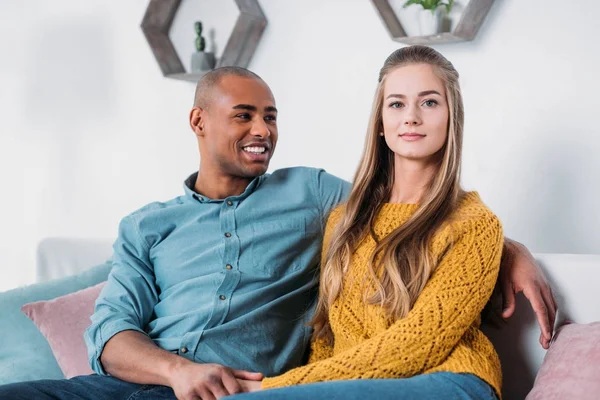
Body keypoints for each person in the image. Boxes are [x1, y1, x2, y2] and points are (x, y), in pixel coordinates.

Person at [0, 65, 555, 400]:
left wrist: (513, 250)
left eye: (270, 116)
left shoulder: (312, 194)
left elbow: (408, 212)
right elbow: (111, 335)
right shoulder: (147, 225)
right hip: (135, 385)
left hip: (240, 390)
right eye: (244, 116)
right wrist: (177, 371)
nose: (263, 130)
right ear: (199, 122)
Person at [225, 46, 539, 399]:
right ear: (380, 122)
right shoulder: (343, 220)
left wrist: (272, 387)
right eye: (397, 104)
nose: (411, 117)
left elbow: (422, 342)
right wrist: (295, 384)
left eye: (430, 102)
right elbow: (327, 338)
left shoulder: (474, 223)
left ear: (453, 118)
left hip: (450, 379)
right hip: (356, 386)